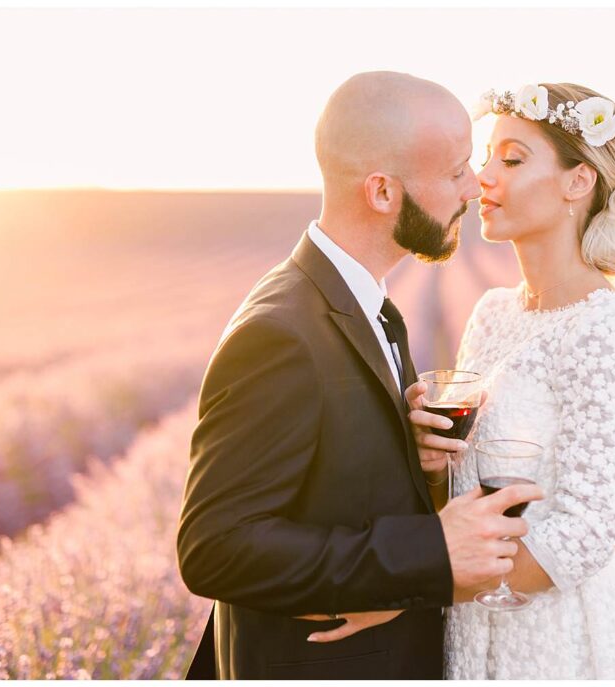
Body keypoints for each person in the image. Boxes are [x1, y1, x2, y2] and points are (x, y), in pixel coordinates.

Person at [175, 71, 543, 680]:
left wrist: (417, 465)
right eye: (454, 171)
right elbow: (216, 548)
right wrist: (432, 553)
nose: (474, 190)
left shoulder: (366, 304)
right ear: (381, 193)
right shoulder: (281, 333)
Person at [407, 83, 615, 678]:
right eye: (486, 157)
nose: (483, 177)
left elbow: (583, 534)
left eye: (512, 159)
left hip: (555, 639)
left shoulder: (608, 329)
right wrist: (433, 460)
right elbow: (467, 491)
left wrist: (410, 593)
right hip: (474, 623)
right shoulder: (494, 312)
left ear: (578, 182)